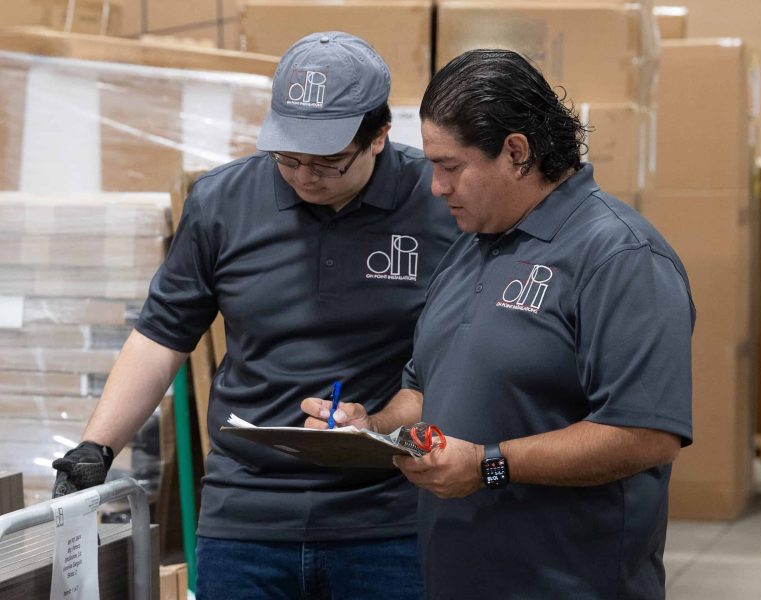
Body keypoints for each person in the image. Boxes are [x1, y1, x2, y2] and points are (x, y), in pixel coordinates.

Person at [51, 31, 458, 599]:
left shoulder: (441, 203)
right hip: (245, 520)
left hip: (389, 521)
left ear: (380, 137)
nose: (304, 176)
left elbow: (469, 350)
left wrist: (387, 422)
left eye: (328, 162)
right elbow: (162, 335)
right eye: (288, 158)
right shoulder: (222, 203)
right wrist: (94, 450)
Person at [302, 49, 695, 599]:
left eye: (450, 167)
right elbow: (425, 389)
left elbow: (647, 434)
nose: (436, 187)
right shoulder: (471, 246)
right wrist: (371, 429)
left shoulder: (620, 257)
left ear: (516, 153)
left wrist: (490, 466)